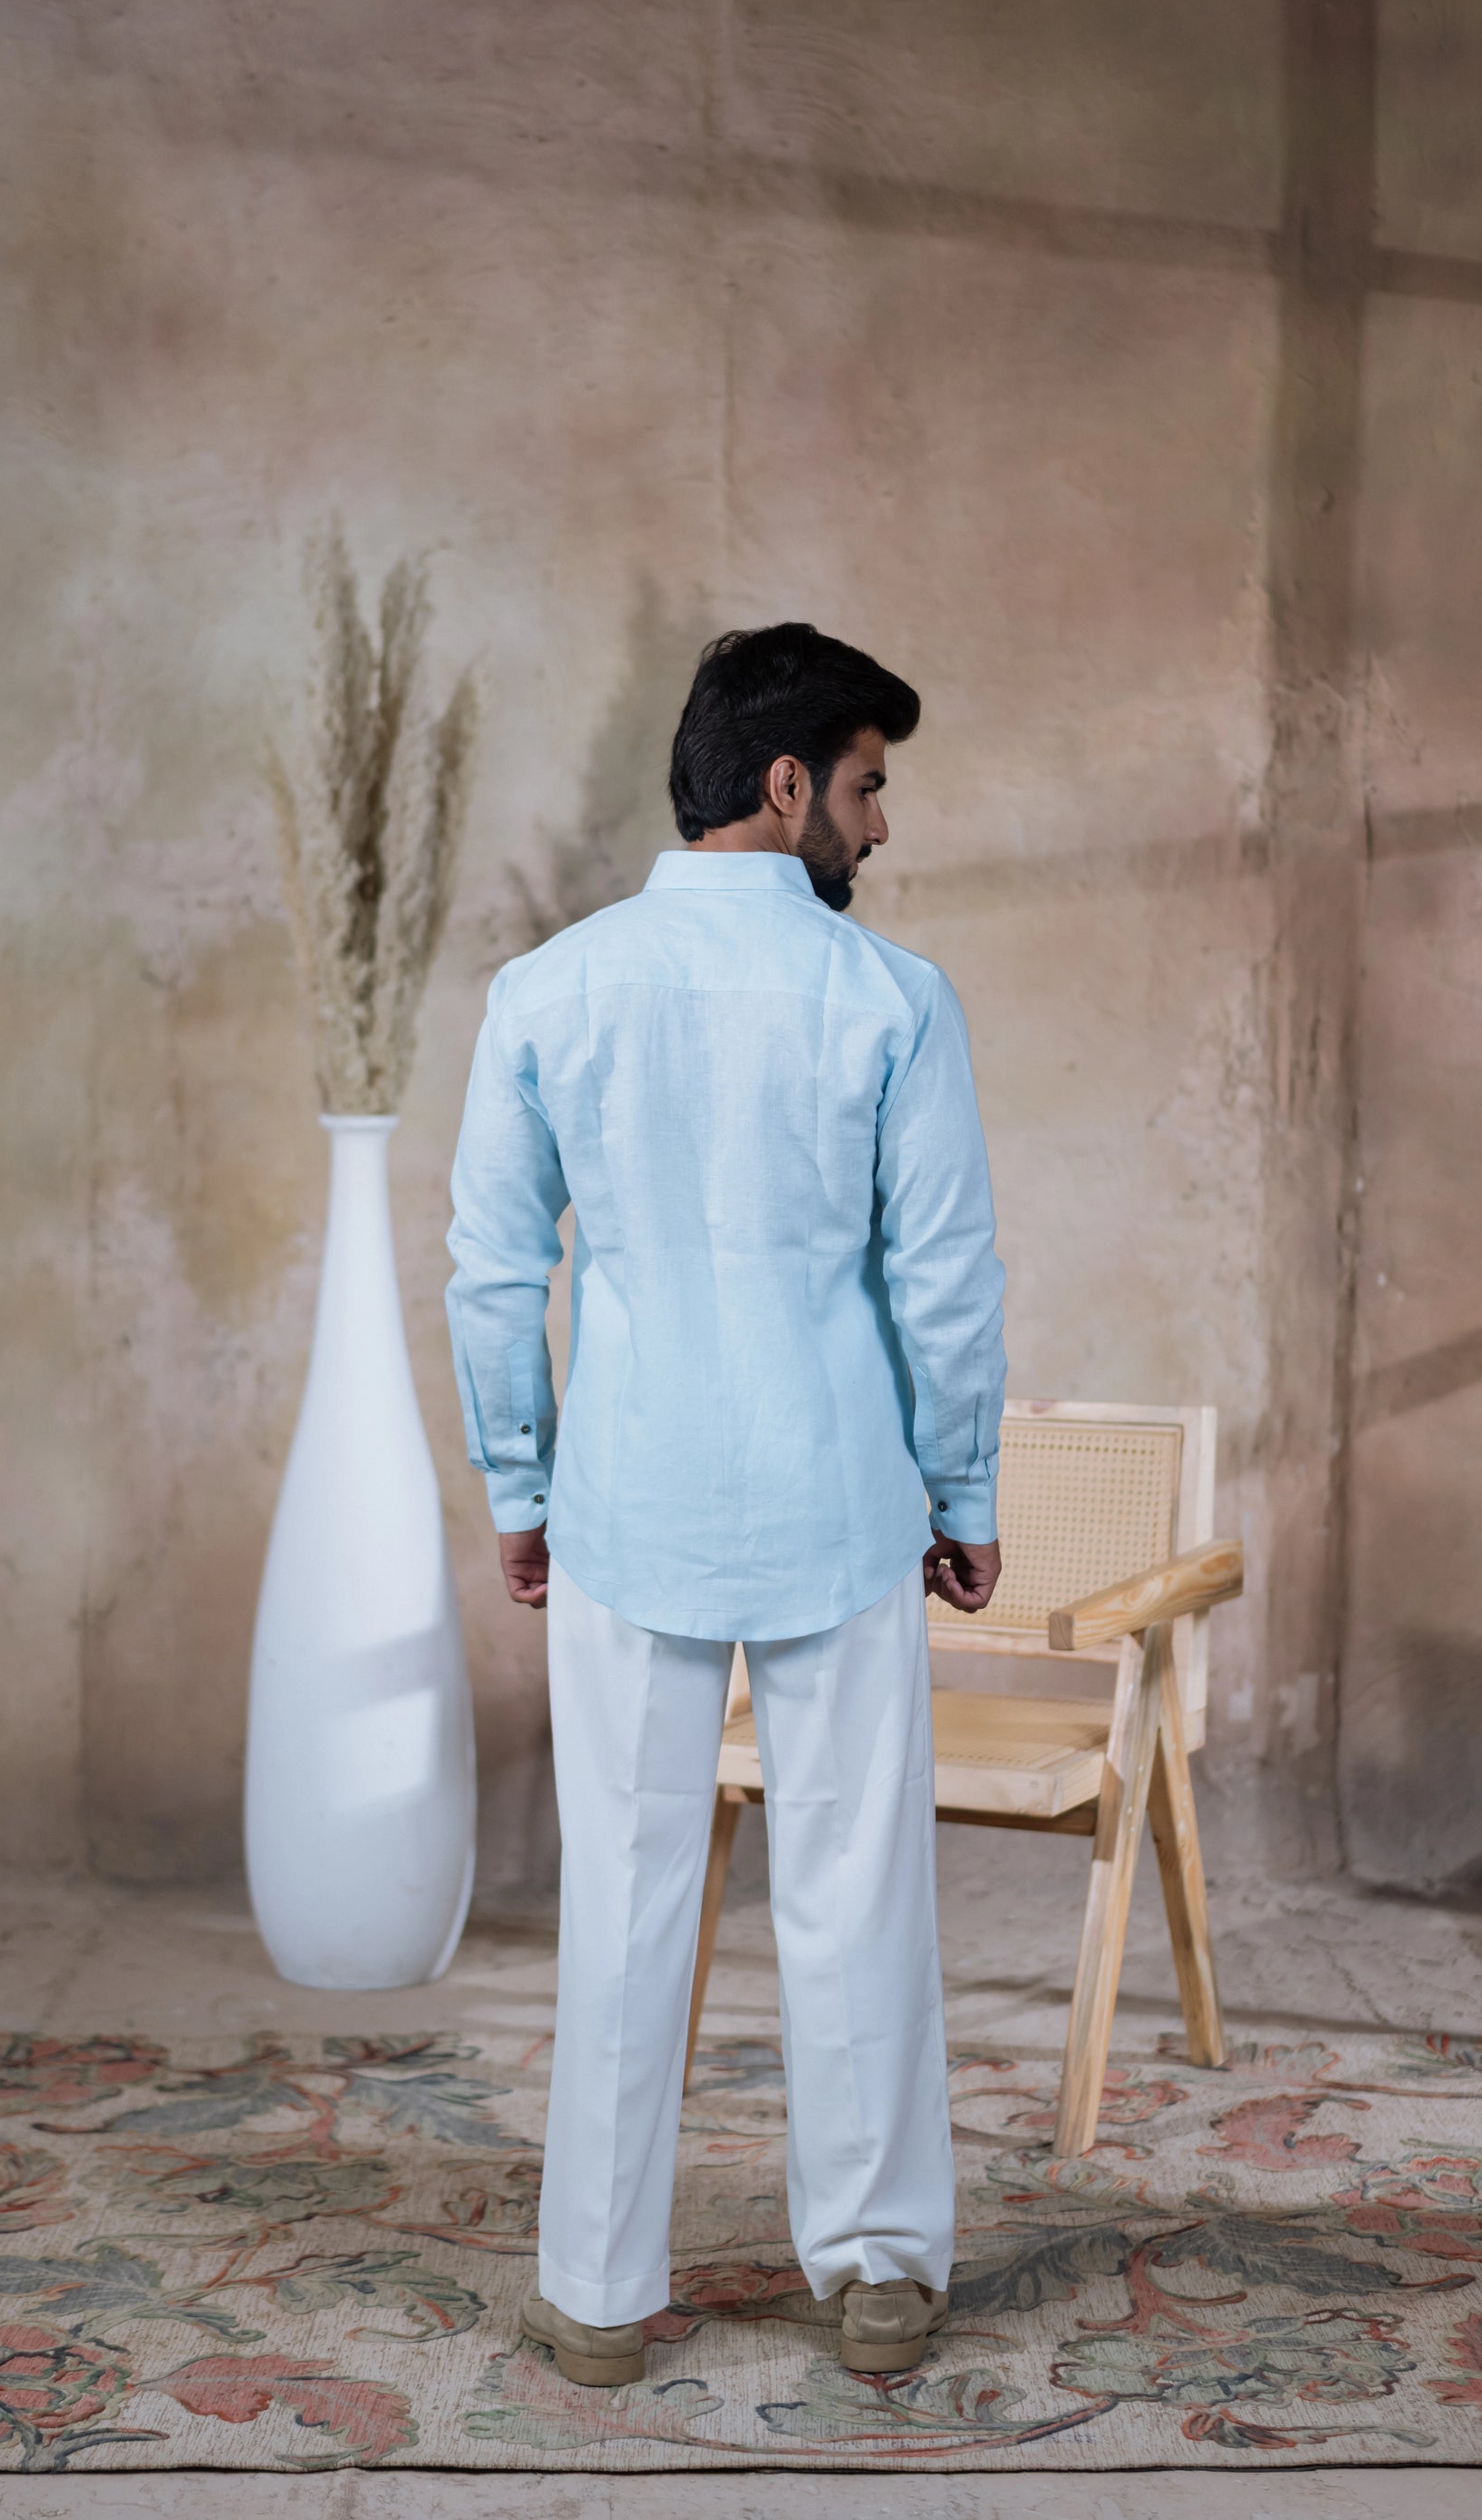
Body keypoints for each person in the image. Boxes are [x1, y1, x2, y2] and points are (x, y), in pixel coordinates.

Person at [446, 622, 1006, 2389]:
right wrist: (963, 1486)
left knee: (626, 1892)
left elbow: (493, 1274)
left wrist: (519, 1479)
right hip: (844, 1500)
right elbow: (945, 1279)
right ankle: (878, 2270)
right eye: (867, 787)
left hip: (627, 1503)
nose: (879, 825)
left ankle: (599, 2292)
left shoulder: (547, 992)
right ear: (784, 785)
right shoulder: (894, 999)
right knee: (855, 1886)